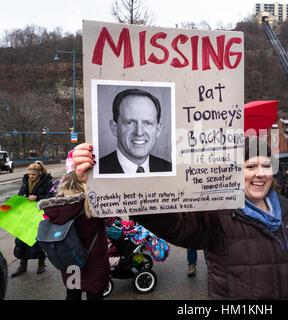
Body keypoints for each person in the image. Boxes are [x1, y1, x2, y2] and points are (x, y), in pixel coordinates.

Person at [72, 137, 288, 300]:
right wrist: (100, 178)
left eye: (266, 165)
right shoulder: (218, 214)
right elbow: (176, 225)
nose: (260, 174)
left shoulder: (285, 212)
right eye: (250, 166)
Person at [37, 169, 110, 300]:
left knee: (72, 294)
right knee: (95, 295)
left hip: (70, 262)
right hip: (94, 262)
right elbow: (111, 220)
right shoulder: (93, 206)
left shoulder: (54, 208)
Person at [99, 88, 172, 174]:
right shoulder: (96, 171)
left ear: (158, 129)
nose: (139, 132)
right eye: (130, 123)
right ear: (114, 128)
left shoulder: (169, 169)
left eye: (147, 123)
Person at [12, 161, 54, 277]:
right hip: (26, 214)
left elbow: (51, 198)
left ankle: (41, 263)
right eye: (29, 174)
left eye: (33, 175)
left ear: (39, 174)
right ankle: (22, 265)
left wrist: (37, 198)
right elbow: (20, 194)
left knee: (38, 240)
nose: (31, 176)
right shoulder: (26, 181)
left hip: (40, 214)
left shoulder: (47, 183)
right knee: (22, 240)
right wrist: (23, 197)